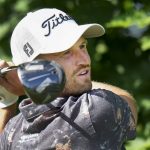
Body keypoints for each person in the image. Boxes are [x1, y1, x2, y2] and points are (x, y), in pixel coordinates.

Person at [0, 8, 137, 150]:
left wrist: (8, 100)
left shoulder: (12, 131)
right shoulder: (95, 109)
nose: (85, 60)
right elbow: (127, 100)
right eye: (66, 52)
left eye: (82, 46)